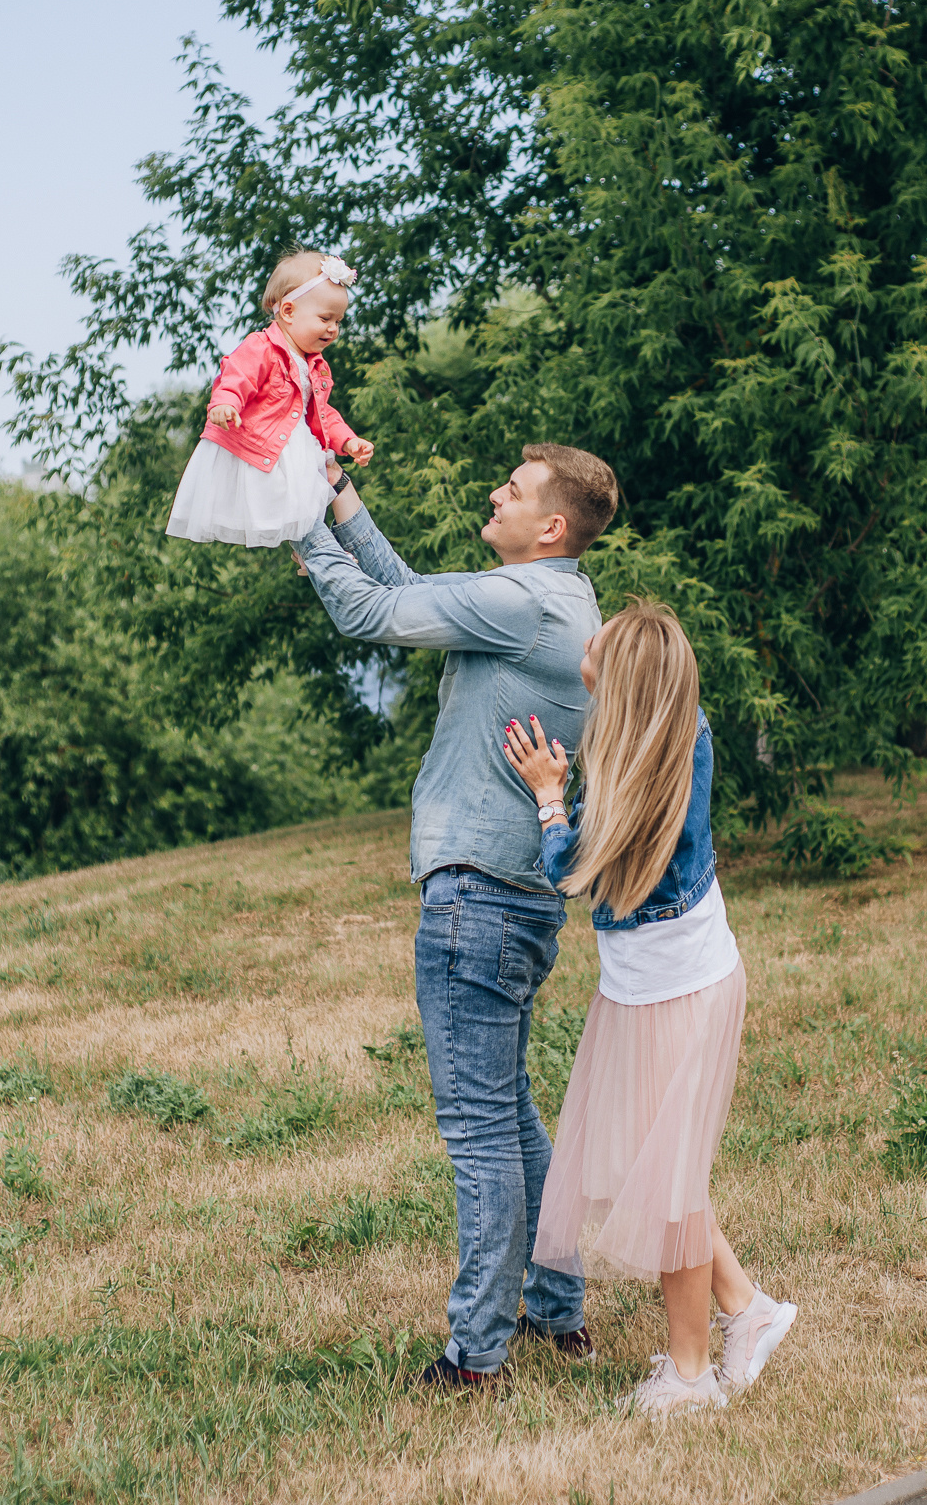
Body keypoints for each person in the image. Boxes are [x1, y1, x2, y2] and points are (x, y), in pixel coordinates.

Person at [294, 444, 619, 1387]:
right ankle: (555, 1309)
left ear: (549, 525)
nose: (493, 494)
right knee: (508, 1110)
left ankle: (475, 1355)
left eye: (511, 491)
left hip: (474, 895)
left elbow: (366, 611)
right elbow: (408, 592)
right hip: (516, 900)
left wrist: (292, 526)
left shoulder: (521, 606)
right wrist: (337, 494)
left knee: (478, 1131)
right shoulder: (556, 603)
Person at [503, 602, 797, 1416]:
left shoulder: (631, 779)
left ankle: (691, 1374)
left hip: (670, 991)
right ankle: (748, 1310)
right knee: (652, 1168)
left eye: (594, 644)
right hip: (661, 980)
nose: (583, 642)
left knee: (668, 1185)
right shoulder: (675, 729)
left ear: (621, 682)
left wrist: (549, 797)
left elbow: (574, 868)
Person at [166, 250, 375, 548]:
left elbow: (323, 412)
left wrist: (347, 441)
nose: (333, 328)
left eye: (338, 321)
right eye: (325, 318)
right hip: (262, 444)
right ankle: (314, 553)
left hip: (298, 448)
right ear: (288, 312)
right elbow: (237, 375)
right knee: (286, 505)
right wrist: (225, 403)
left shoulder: (315, 365)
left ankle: (312, 555)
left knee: (307, 507)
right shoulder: (262, 347)